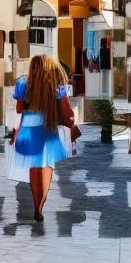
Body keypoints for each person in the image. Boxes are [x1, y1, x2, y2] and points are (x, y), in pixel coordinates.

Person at [9, 55, 81, 222]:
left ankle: (36, 205)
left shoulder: (23, 84)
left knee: (34, 168)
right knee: (46, 167)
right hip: (47, 126)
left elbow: (19, 109)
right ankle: (40, 207)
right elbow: (67, 112)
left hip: (28, 126)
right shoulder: (56, 86)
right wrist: (72, 121)